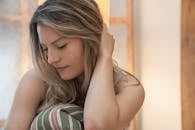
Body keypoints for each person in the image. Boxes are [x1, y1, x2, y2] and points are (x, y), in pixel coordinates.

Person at [5, 0, 145, 130]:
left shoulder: (129, 89)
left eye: (61, 46)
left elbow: (96, 126)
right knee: (52, 117)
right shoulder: (37, 80)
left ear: (91, 39)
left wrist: (104, 57)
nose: (51, 59)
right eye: (45, 49)